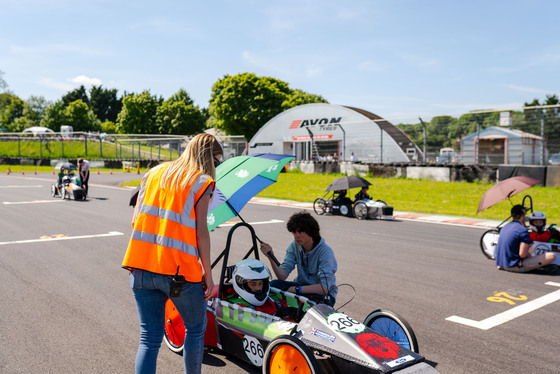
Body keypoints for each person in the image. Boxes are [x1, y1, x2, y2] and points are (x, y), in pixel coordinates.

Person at [121, 133, 222, 374]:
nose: (217, 166)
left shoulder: (153, 174)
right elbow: (201, 235)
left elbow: (136, 221)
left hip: (141, 267)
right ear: (208, 157)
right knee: (196, 328)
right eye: (217, 161)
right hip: (180, 272)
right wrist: (208, 275)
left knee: (149, 338)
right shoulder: (201, 181)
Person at [260, 211, 337, 306]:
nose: (296, 236)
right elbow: (282, 276)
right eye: (294, 232)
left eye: (300, 232)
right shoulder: (295, 246)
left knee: (315, 300)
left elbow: (323, 288)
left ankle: (293, 309)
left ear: (311, 232)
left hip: (322, 294)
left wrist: (297, 289)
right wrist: (270, 256)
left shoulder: (325, 252)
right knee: (273, 284)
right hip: (301, 287)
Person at [225, 259, 298, 320]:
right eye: (253, 284)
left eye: (261, 283)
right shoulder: (237, 308)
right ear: (241, 284)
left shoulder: (273, 299)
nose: (258, 288)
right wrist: (278, 315)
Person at [495, 205, 556, 273]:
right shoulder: (522, 230)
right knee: (551, 256)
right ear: (523, 216)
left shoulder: (505, 227)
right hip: (514, 266)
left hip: (500, 263)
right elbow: (522, 254)